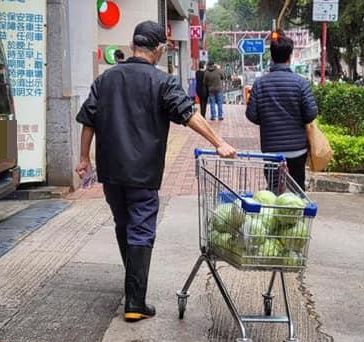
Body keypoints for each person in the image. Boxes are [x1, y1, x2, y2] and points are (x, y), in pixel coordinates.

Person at [76, 21, 236, 323]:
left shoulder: (106, 79)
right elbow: (188, 114)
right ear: (160, 49)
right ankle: (135, 301)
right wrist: (219, 142)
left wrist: (84, 158)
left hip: (111, 170)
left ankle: (132, 285)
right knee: (141, 228)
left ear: (132, 44)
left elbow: (89, 120)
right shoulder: (163, 82)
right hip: (143, 172)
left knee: (123, 224)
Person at [245, 32, 318, 190]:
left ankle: (274, 211)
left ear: (271, 56)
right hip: (297, 149)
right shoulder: (301, 83)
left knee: (273, 190)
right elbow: (311, 113)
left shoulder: (259, 84)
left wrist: (267, 119)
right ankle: (297, 213)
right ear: (290, 56)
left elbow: (251, 114)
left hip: (271, 149)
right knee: (297, 190)